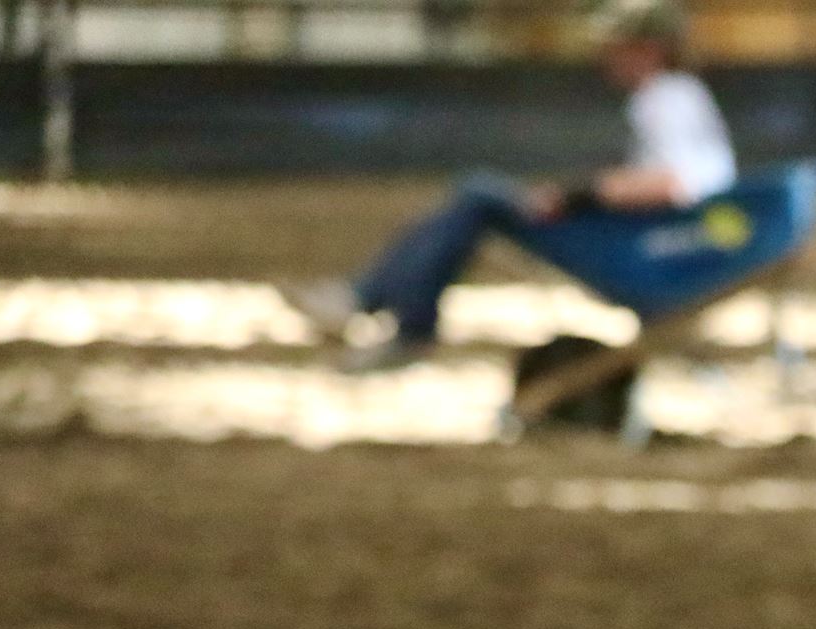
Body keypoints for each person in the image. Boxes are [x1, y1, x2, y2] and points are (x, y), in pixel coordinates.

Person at [287, 0, 735, 371]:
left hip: (649, 244)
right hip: (651, 235)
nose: (606, 55)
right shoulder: (676, 96)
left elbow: (673, 183)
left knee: (478, 198)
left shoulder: (666, 98)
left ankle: (389, 316)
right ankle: (376, 306)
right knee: (479, 197)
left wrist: (577, 198)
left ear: (649, 49)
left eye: (616, 45)